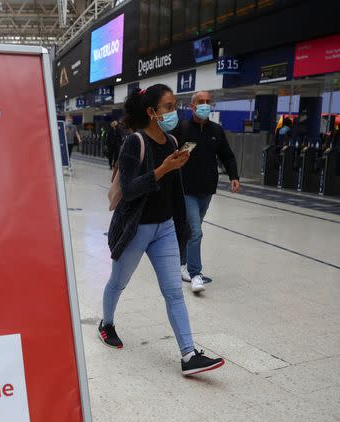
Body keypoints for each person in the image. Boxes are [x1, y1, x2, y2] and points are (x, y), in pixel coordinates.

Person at [99, 84, 224, 376]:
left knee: (173, 292)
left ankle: (189, 354)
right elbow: (129, 191)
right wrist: (162, 169)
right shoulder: (133, 143)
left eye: (175, 106)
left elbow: (174, 192)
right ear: (151, 112)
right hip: (136, 228)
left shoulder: (170, 141)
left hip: (165, 228)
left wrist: (180, 229)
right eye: (168, 107)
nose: (174, 112)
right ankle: (106, 323)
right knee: (118, 281)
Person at [172, 91, 240, 293]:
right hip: (186, 189)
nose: (205, 105)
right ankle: (195, 274)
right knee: (196, 231)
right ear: (192, 106)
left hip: (207, 190)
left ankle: (181, 262)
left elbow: (227, 156)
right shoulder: (182, 128)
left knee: (191, 229)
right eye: (201, 102)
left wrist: (234, 176)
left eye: (208, 102)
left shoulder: (216, 131)